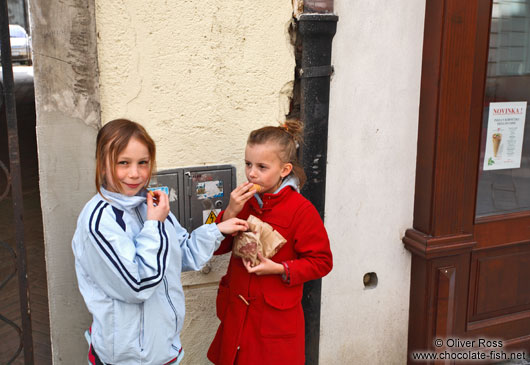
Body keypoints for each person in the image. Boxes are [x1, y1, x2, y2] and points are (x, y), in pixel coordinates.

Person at [72, 118, 248, 365]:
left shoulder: (151, 204)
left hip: (165, 350)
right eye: (123, 163)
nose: (134, 173)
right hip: (128, 359)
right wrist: (153, 225)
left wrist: (217, 229)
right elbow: (137, 286)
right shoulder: (98, 221)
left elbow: (180, 256)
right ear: (103, 165)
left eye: (142, 163)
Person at [207, 119, 333, 365]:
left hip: (274, 325)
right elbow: (218, 248)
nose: (252, 173)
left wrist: (280, 269)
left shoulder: (301, 210)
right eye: (248, 164)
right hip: (237, 316)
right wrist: (231, 211)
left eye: (262, 167)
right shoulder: (244, 201)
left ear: (284, 170)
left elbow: (322, 262)